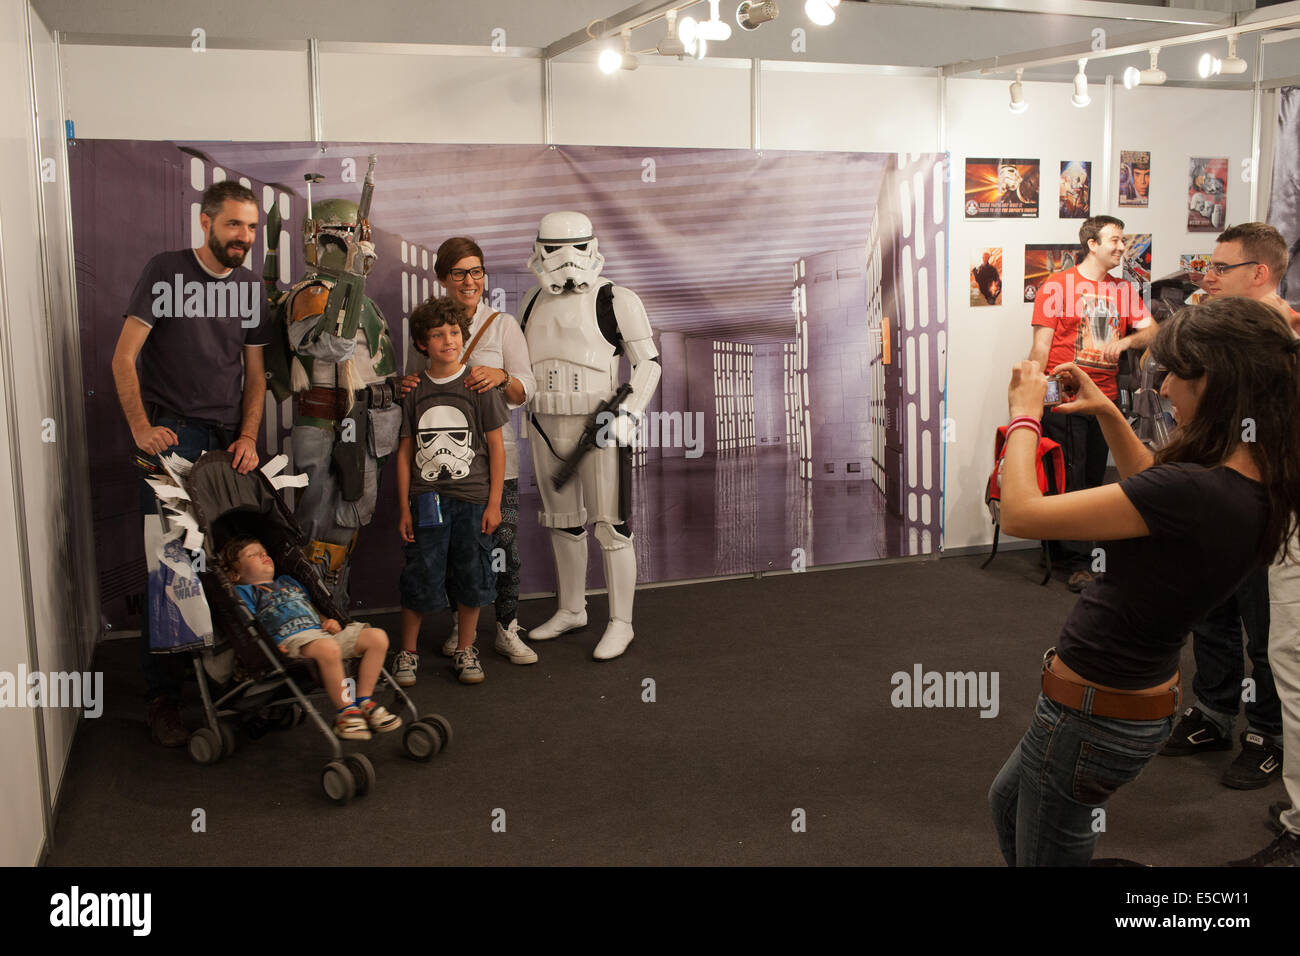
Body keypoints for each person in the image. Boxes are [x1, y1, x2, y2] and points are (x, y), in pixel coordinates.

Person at [990, 296, 1300, 866]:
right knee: (1008, 805)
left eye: (1176, 374)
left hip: (1091, 715)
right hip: (1123, 702)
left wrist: (1024, 416)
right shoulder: (1249, 475)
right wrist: (1108, 411)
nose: (1163, 389)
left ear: (1215, 383)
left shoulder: (1196, 489)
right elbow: (1153, 487)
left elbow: (1020, 514)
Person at [112, 180, 270, 747]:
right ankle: (163, 698)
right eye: (234, 225)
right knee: (171, 570)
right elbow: (123, 357)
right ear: (204, 223)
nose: (244, 237)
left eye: (251, 227)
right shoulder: (164, 271)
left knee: (230, 563)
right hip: (170, 440)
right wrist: (139, 429)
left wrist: (250, 435)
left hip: (228, 444)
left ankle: (234, 681)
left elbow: (256, 375)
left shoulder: (252, 287)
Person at [1163, 223, 1297, 790]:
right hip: (1210, 492)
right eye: (1209, 267)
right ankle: (1214, 713)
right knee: (1211, 611)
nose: (1208, 277)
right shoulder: (1214, 331)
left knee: (1264, 627)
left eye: (1222, 268)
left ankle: (1266, 735)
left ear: (1259, 273)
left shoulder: (1287, 341)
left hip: (1265, 505)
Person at [520, 211, 662, 661]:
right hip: (544, 422)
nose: (567, 260)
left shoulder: (616, 298)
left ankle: (621, 622)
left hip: (601, 424)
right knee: (562, 523)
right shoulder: (528, 301)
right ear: (539, 248)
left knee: (611, 526)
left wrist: (630, 415)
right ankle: (571, 608)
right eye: (556, 248)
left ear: (593, 246)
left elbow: (648, 365)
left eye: (578, 247)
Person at [265, 165, 401, 612]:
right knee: (322, 526)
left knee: (345, 524)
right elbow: (333, 347)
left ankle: (330, 615)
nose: (357, 246)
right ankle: (315, 620)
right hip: (329, 422)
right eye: (349, 238)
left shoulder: (349, 294)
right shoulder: (312, 293)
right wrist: (353, 282)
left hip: (363, 423)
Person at [401, 238, 537, 668]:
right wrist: (400, 385)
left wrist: (499, 376)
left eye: (476, 271)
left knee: (502, 550)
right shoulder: (428, 324)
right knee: (445, 554)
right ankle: (464, 638)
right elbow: (413, 383)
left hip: (493, 468)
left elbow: (525, 389)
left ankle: (506, 628)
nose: (469, 280)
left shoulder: (503, 325)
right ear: (443, 278)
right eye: (459, 273)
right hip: (437, 475)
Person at [1028, 214, 1156, 592]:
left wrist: (1127, 342)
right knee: (1068, 477)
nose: (1121, 246)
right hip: (1064, 396)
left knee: (1093, 478)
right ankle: (1077, 561)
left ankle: (1066, 552)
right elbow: (1041, 346)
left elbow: (1152, 330)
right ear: (1092, 244)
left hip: (1105, 398)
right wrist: (1033, 397)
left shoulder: (1123, 289)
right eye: (1114, 240)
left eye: (1122, 240)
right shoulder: (1056, 285)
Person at [394, 297, 509, 686]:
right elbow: (406, 451)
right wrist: (406, 507)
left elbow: (496, 447)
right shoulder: (413, 390)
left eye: (455, 332)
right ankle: (407, 652)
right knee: (421, 570)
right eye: (438, 334)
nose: (449, 340)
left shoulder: (480, 385)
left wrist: (494, 503)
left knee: (472, 572)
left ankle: (466, 647)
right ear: (423, 344)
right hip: (427, 498)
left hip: (474, 499)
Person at [223, 537, 400, 740]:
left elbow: (310, 608)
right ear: (234, 574)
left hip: (321, 633)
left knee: (377, 637)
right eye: (253, 554)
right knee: (328, 648)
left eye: (264, 551)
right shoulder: (243, 593)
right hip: (291, 641)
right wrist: (269, 647)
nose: (263, 555)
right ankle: (346, 711)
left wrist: (326, 620)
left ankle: (364, 701)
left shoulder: (289, 582)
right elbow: (250, 625)